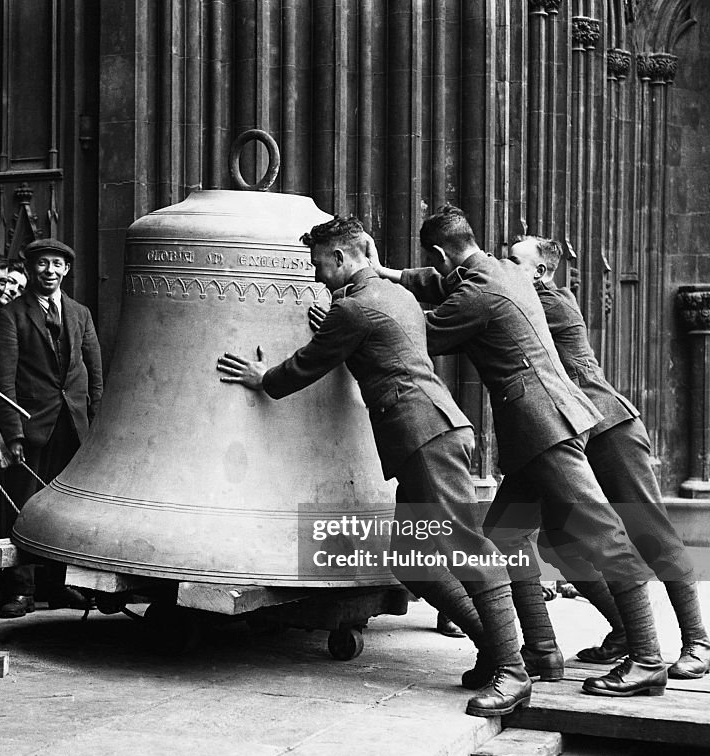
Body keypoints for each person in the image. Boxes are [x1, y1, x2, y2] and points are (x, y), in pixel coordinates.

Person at [216, 214, 531, 717]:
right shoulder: (392, 296)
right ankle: (495, 650)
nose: (317, 276)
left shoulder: (356, 309)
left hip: (424, 434)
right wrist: (339, 322)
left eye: (320, 265)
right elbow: (371, 337)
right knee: (412, 559)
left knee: (465, 546)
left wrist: (263, 378)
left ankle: (513, 670)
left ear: (341, 258)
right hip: (429, 432)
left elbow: (306, 365)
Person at [374, 204, 668, 698]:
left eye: (438, 262)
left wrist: (371, 300)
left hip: (542, 425)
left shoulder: (479, 293)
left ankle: (647, 659)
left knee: (601, 533)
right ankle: (541, 651)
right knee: (506, 535)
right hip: (543, 422)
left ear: (444, 252)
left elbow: (415, 333)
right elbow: (442, 279)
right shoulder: (503, 270)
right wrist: (392, 273)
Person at [507, 234, 708, 679]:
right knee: (555, 541)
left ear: (540, 272)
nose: (505, 268)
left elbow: (482, 302)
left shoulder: (550, 303)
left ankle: (699, 641)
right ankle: (624, 631)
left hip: (606, 428)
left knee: (650, 531)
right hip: (557, 436)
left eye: (513, 262)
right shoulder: (521, 295)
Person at [0, 238, 104, 617]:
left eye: (57, 265)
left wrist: (96, 427)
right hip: (32, 427)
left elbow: (94, 373)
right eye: (42, 264)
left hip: (73, 426)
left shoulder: (79, 314)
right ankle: (20, 590)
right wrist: (13, 434)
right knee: (22, 506)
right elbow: (2, 380)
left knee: (64, 508)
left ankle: (58, 587)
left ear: (66, 271)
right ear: (29, 269)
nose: (50, 271)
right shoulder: (11, 316)